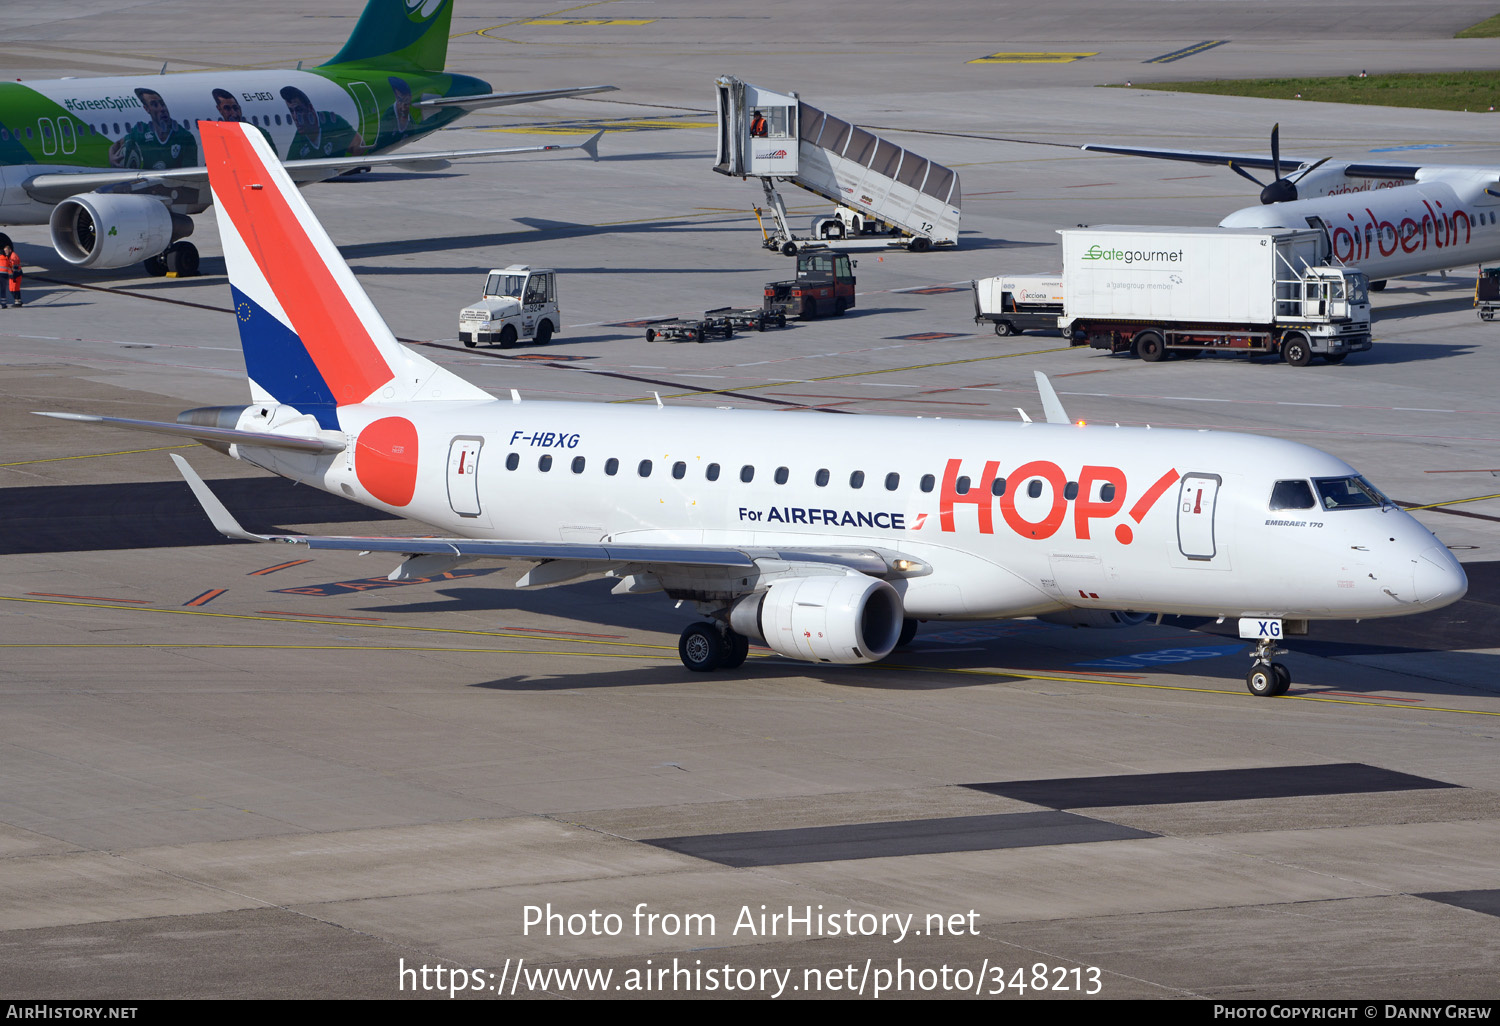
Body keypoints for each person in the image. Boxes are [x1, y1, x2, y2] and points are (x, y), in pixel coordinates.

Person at [109, 88, 198, 169]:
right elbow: (117, 144)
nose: (162, 108)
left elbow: (188, 179)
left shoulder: (185, 137)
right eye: (155, 105)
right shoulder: (141, 132)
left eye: (162, 104)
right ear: (147, 109)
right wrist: (112, 157)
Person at [281, 85, 366, 161]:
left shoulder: (331, 121)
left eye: (299, 110)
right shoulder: (299, 138)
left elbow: (359, 144)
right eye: (291, 111)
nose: (295, 117)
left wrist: (346, 170)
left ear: (310, 108)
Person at [2, 243, 22, 308]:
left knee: (15, 289)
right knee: (11, 289)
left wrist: (14, 275)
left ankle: (18, 302)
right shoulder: (9, 256)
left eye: (6, 251)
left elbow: (15, 267)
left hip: (16, 276)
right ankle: (17, 301)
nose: (5, 252)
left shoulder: (14, 257)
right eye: (4, 251)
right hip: (11, 275)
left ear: (10, 250)